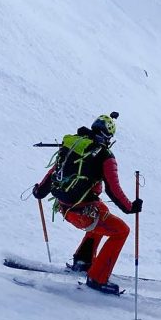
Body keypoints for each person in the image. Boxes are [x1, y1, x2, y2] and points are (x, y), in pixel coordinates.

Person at [33, 113, 141, 295]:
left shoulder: (73, 144)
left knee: (103, 213)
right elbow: (113, 189)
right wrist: (130, 207)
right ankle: (97, 278)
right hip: (84, 213)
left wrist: (40, 191)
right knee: (121, 231)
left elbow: (55, 170)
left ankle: (83, 261)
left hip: (65, 208)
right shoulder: (104, 155)